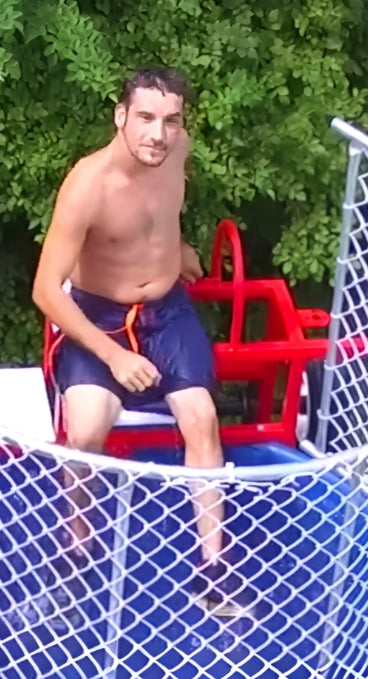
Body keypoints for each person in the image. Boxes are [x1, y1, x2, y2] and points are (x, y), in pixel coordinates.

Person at [32, 68, 242, 617]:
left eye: (171, 120)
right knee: (86, 430)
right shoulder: (88, 185)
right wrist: (114, 356)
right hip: (98, 318)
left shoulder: (176, 151)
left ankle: (212, 573)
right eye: (146, 118)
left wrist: (179, 253)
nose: (159, 133)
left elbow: (158, 219)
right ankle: (75, 560)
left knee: (201, 418)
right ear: (120, 116)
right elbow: (46, 291)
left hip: (166, 310)